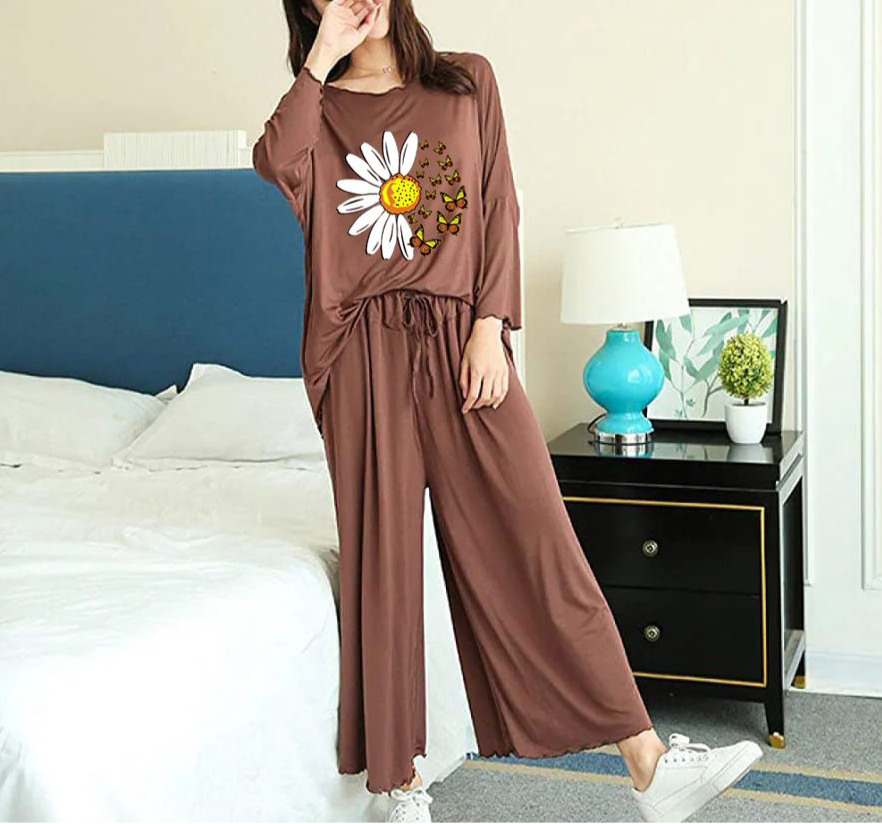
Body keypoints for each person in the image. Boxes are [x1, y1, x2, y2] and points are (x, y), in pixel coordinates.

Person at [252, 2, 763, 822]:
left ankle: (647, 762)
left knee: (538, 540)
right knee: (383, 566)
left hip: (464, 343)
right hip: (361, 354)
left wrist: (490, 326)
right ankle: (400, 786)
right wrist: (322, 57)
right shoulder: (321, 110)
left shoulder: (466, 81)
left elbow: (498, 206)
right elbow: (273, 161)